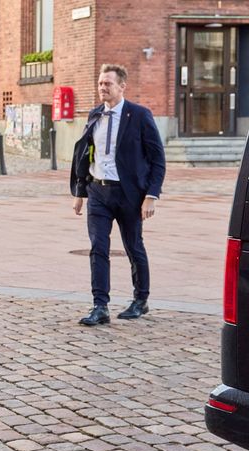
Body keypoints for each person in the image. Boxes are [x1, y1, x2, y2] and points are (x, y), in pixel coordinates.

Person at [71, 63, 166, 326]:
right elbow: (84, 155)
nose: (103, 87)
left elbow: (158, 159)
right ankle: (100, 305)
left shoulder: (139, 115)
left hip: (130, 194)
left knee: (133, 246)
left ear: (122, 86)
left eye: (108, 83)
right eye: (100, 83)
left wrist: (151, 196)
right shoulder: (94, 115)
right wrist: (80, 191)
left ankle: (140, 299)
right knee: (98, 248)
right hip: (98, 191)